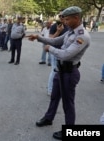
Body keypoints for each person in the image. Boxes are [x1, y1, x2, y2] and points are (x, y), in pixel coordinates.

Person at [27, 6, 91, 140]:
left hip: (69, 73)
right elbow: (56, 41)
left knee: (68, 103)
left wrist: (49, 49)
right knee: (54, 97)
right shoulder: (70, 32)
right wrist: (39, 37)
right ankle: (48, 118)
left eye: (67, 19)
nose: (65, 21)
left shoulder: (82, 36)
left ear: (76, 18)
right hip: (60, 71)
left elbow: (66, 55)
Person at [47, 10, 69, 96]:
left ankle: (60, 89)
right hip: (55, 51)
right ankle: (50, 89)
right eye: (60, 16)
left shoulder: (69, 27)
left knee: (64, 72)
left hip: (65, 52)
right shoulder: (54, 26)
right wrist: (58, 31)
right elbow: (50, 39)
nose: (61, 18)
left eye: (63, 16)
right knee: (55, 70)